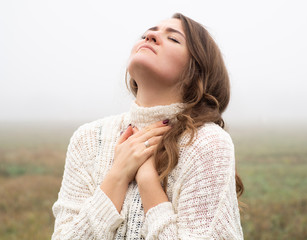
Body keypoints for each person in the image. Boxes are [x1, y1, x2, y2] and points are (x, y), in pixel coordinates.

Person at [52, 13, 244, 240]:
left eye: (173, 39)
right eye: (146, 34)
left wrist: (148, 182)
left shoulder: (206, 143)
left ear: (196, 71)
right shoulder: (90, 138)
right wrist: (117, 174)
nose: (151, 36)